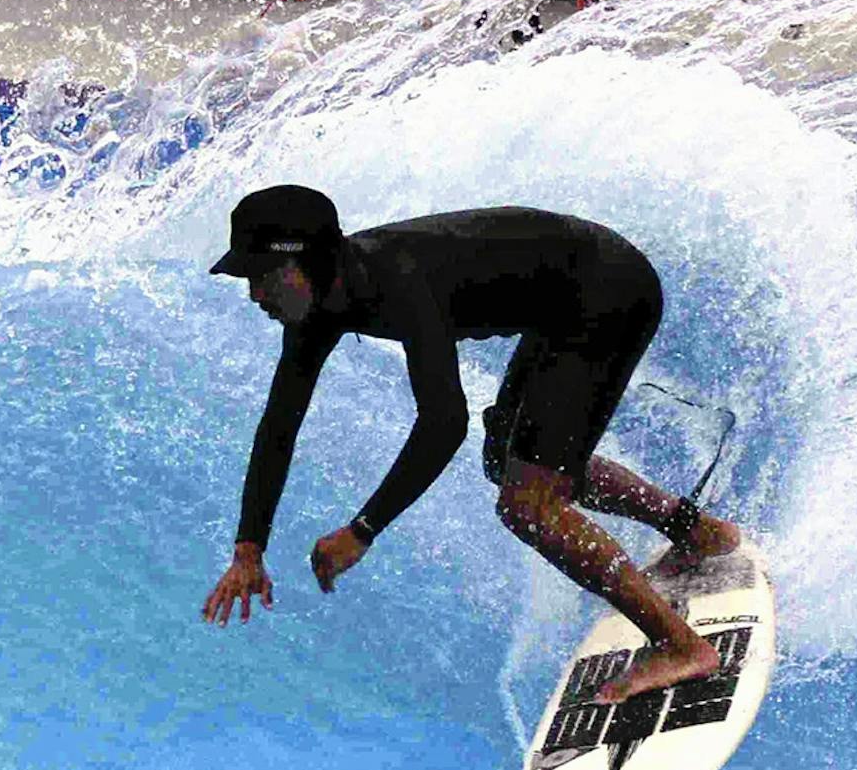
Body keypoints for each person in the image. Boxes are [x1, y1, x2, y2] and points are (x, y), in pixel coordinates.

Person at [201, 185, 742, 704]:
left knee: (529, 506)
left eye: (265, 276)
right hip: (560, 306)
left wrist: (363, 529)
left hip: (607, 293)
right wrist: (249, 550)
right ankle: (695, 532)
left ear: (313, 262)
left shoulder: (398, 279)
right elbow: (278, 428)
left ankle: (682, 647)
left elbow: (443, 424)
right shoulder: (317, 309)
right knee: (508, 463)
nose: (255, 294)